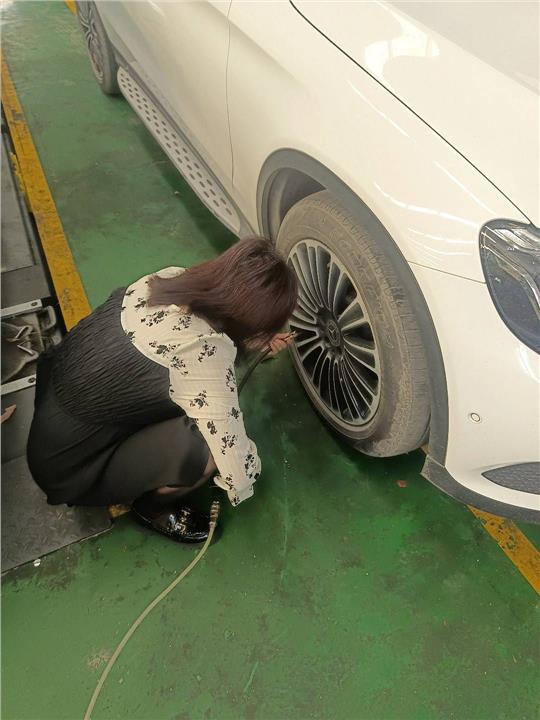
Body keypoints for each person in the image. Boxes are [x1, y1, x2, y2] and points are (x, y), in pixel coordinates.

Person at [27, 238, 298, 544]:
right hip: (74, 467)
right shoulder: (202, 353)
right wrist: (247, 468)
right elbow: (235, 462)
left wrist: (250, 339)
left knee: (183, 395)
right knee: (207, 451)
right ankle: (151, 508)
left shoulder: (168, 280)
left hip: (54, 423)